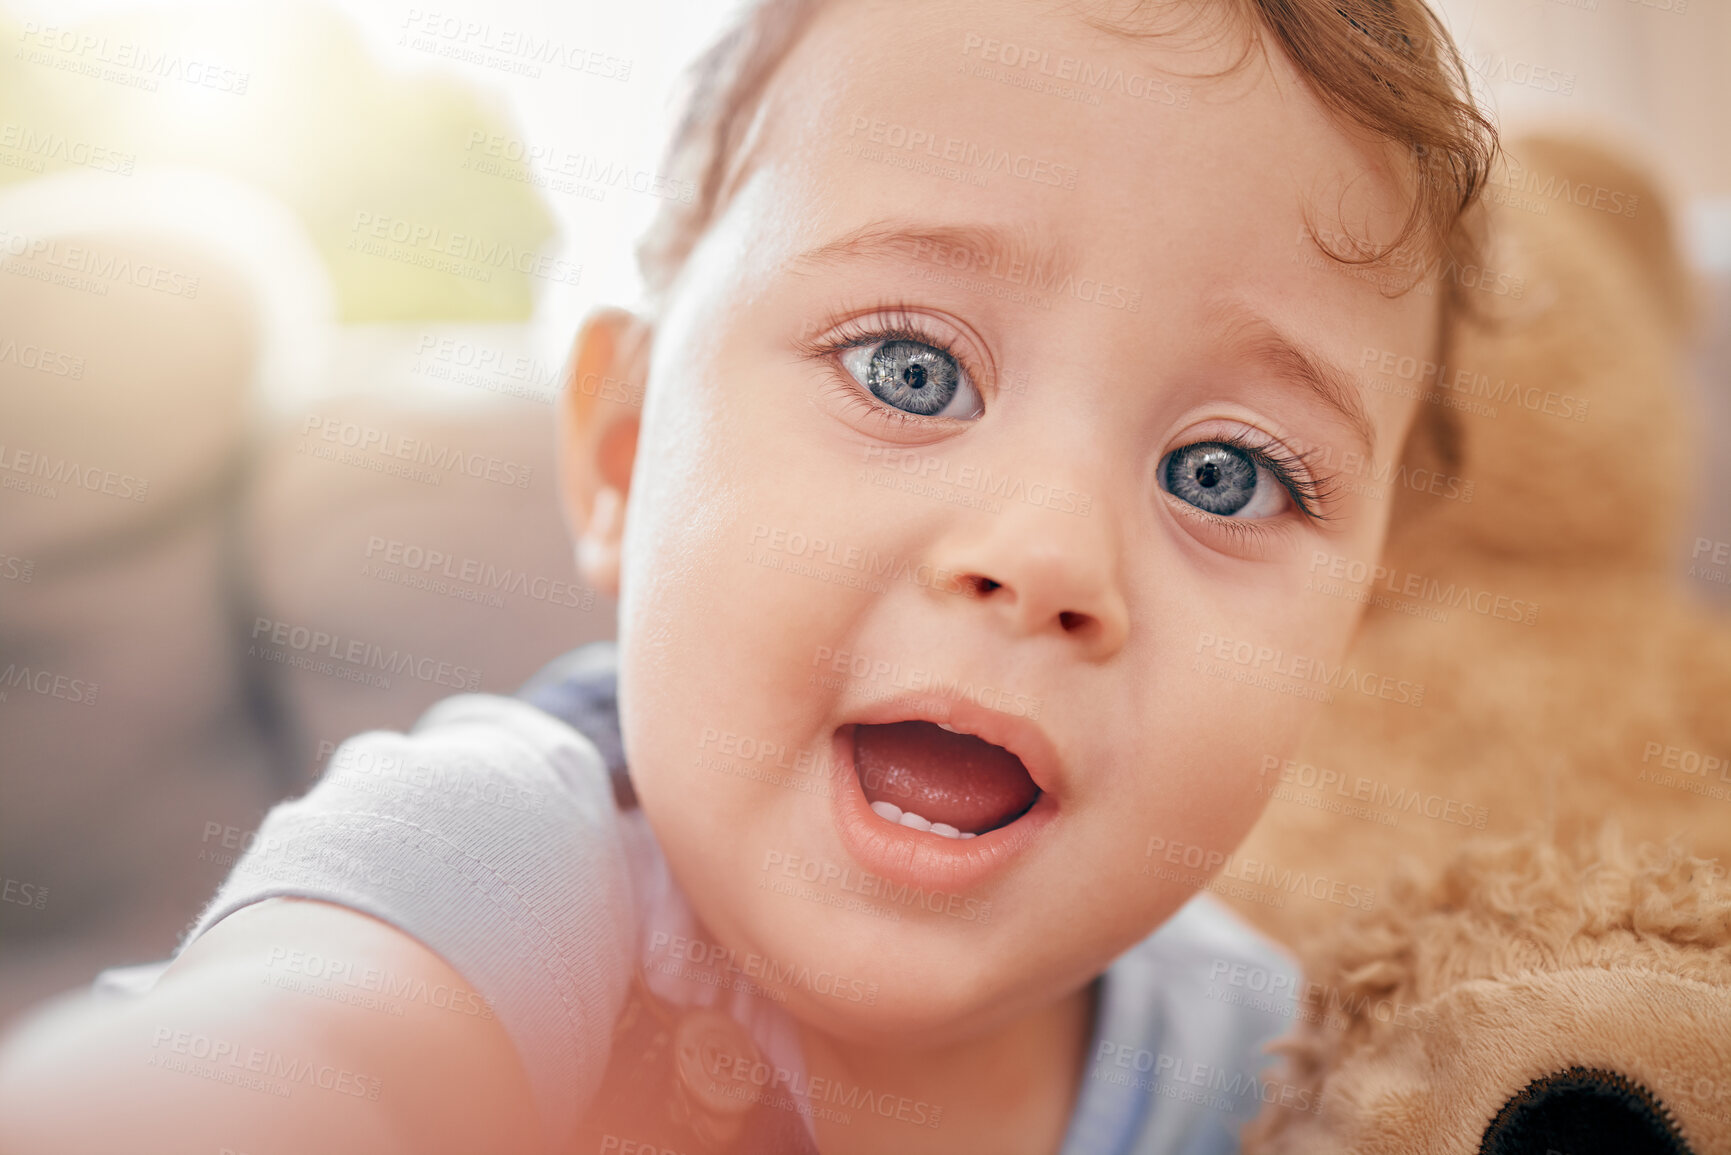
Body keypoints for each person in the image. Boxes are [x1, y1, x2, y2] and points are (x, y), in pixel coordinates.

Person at [0, 1, 1496, 1151]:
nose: (1044, 558)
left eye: (1222, 474)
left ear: (1340, 648)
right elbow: (293, 1062)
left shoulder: (1275, 1066)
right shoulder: (508, 863)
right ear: (627, 452)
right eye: (912, 369)